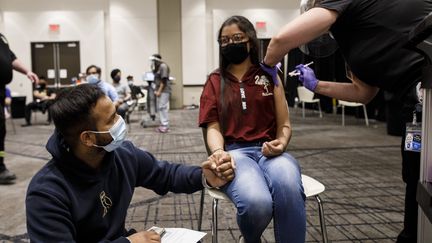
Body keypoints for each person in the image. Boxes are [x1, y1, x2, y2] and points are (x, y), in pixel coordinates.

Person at [263, 1, 432, 242]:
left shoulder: (339, 4)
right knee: (416, 175)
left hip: (426, 85)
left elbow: (280, 40)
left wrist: (265, 68)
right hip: (415, 100)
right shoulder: (353, 34)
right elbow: (364, 93)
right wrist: (316, 85)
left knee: (423, 178)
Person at [25, 84, 235, 242]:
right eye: (111, 119)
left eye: (117, 113)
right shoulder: (46, 193)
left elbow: (167, 174)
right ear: (88, 138)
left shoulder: (123, 155)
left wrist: (204, 176)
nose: (120, 122)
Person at [199, 16, 306, 243]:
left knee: (288, 187)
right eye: (224, 40)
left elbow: (284, 124)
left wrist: (282, 142)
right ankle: (250, 239)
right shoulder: (215, 81)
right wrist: (219, 151)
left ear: (250, 41)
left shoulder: (269, 74)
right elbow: (213, 126)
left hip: (270, 150)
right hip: (236, 153)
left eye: (237, 38)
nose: (231, 44)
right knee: (257, 203)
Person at [0, 32, 38, 184]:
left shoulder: (2, 39)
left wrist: (27, 71)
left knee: (0, 131)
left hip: (0, 91)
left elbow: (11, 59)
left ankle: (0, 165)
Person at [150, 54, 171, 133]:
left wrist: (159, 90)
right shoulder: (158, 67)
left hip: (164, 90)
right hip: (160, 90)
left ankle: (165, 125)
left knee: (163, 107)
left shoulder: (163, 66)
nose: (152, 62)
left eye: (153, 61)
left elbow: (164, 80)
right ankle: (163, 124)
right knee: (160, 107)